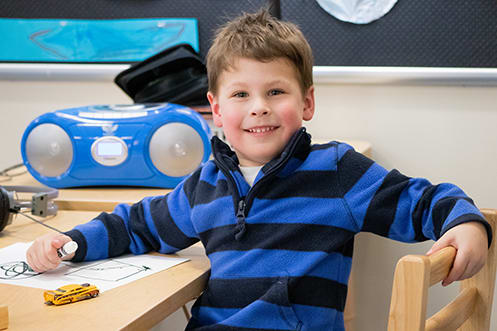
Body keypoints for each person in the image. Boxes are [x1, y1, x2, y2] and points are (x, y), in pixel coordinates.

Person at [27, 9, 491, 331]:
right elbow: (139, 225)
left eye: (275, 92)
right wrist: (72, 242)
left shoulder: (336, 171)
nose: (258, 109)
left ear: (306, 102)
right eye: (241, 95)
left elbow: (420, 199)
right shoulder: (204, 185)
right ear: (215, 109)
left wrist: (465, 220)